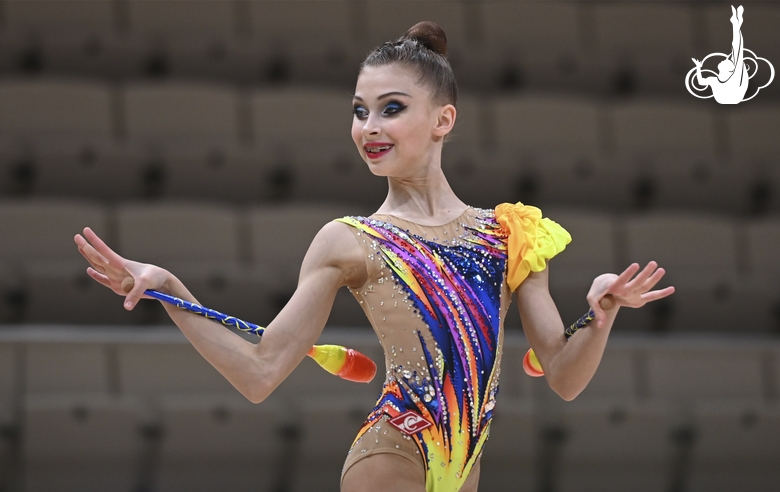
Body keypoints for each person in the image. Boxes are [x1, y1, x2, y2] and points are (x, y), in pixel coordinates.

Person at [74, 21, 674, 492]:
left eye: (391, 108)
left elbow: (565, 377)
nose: (368, 127)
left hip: (465, 471)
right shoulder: (349, 239)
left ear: (443, 120)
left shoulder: (511, 233)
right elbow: (260, 373)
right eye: (360, 111)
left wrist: (601, 312)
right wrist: (170, 289)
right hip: (391, 456)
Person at [692, 5, 748, 104]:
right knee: (736, 51)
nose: (725, 59)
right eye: (728, 60)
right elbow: (701, 82)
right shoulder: (715, 80)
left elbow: (738, 49)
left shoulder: (732, 78)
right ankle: (736, 23)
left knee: (737, 50)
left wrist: (736, 26)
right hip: (728, 97)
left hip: (733, 96)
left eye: (727, 61)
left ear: (729, 69)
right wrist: (698, 67)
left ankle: (736, 24)